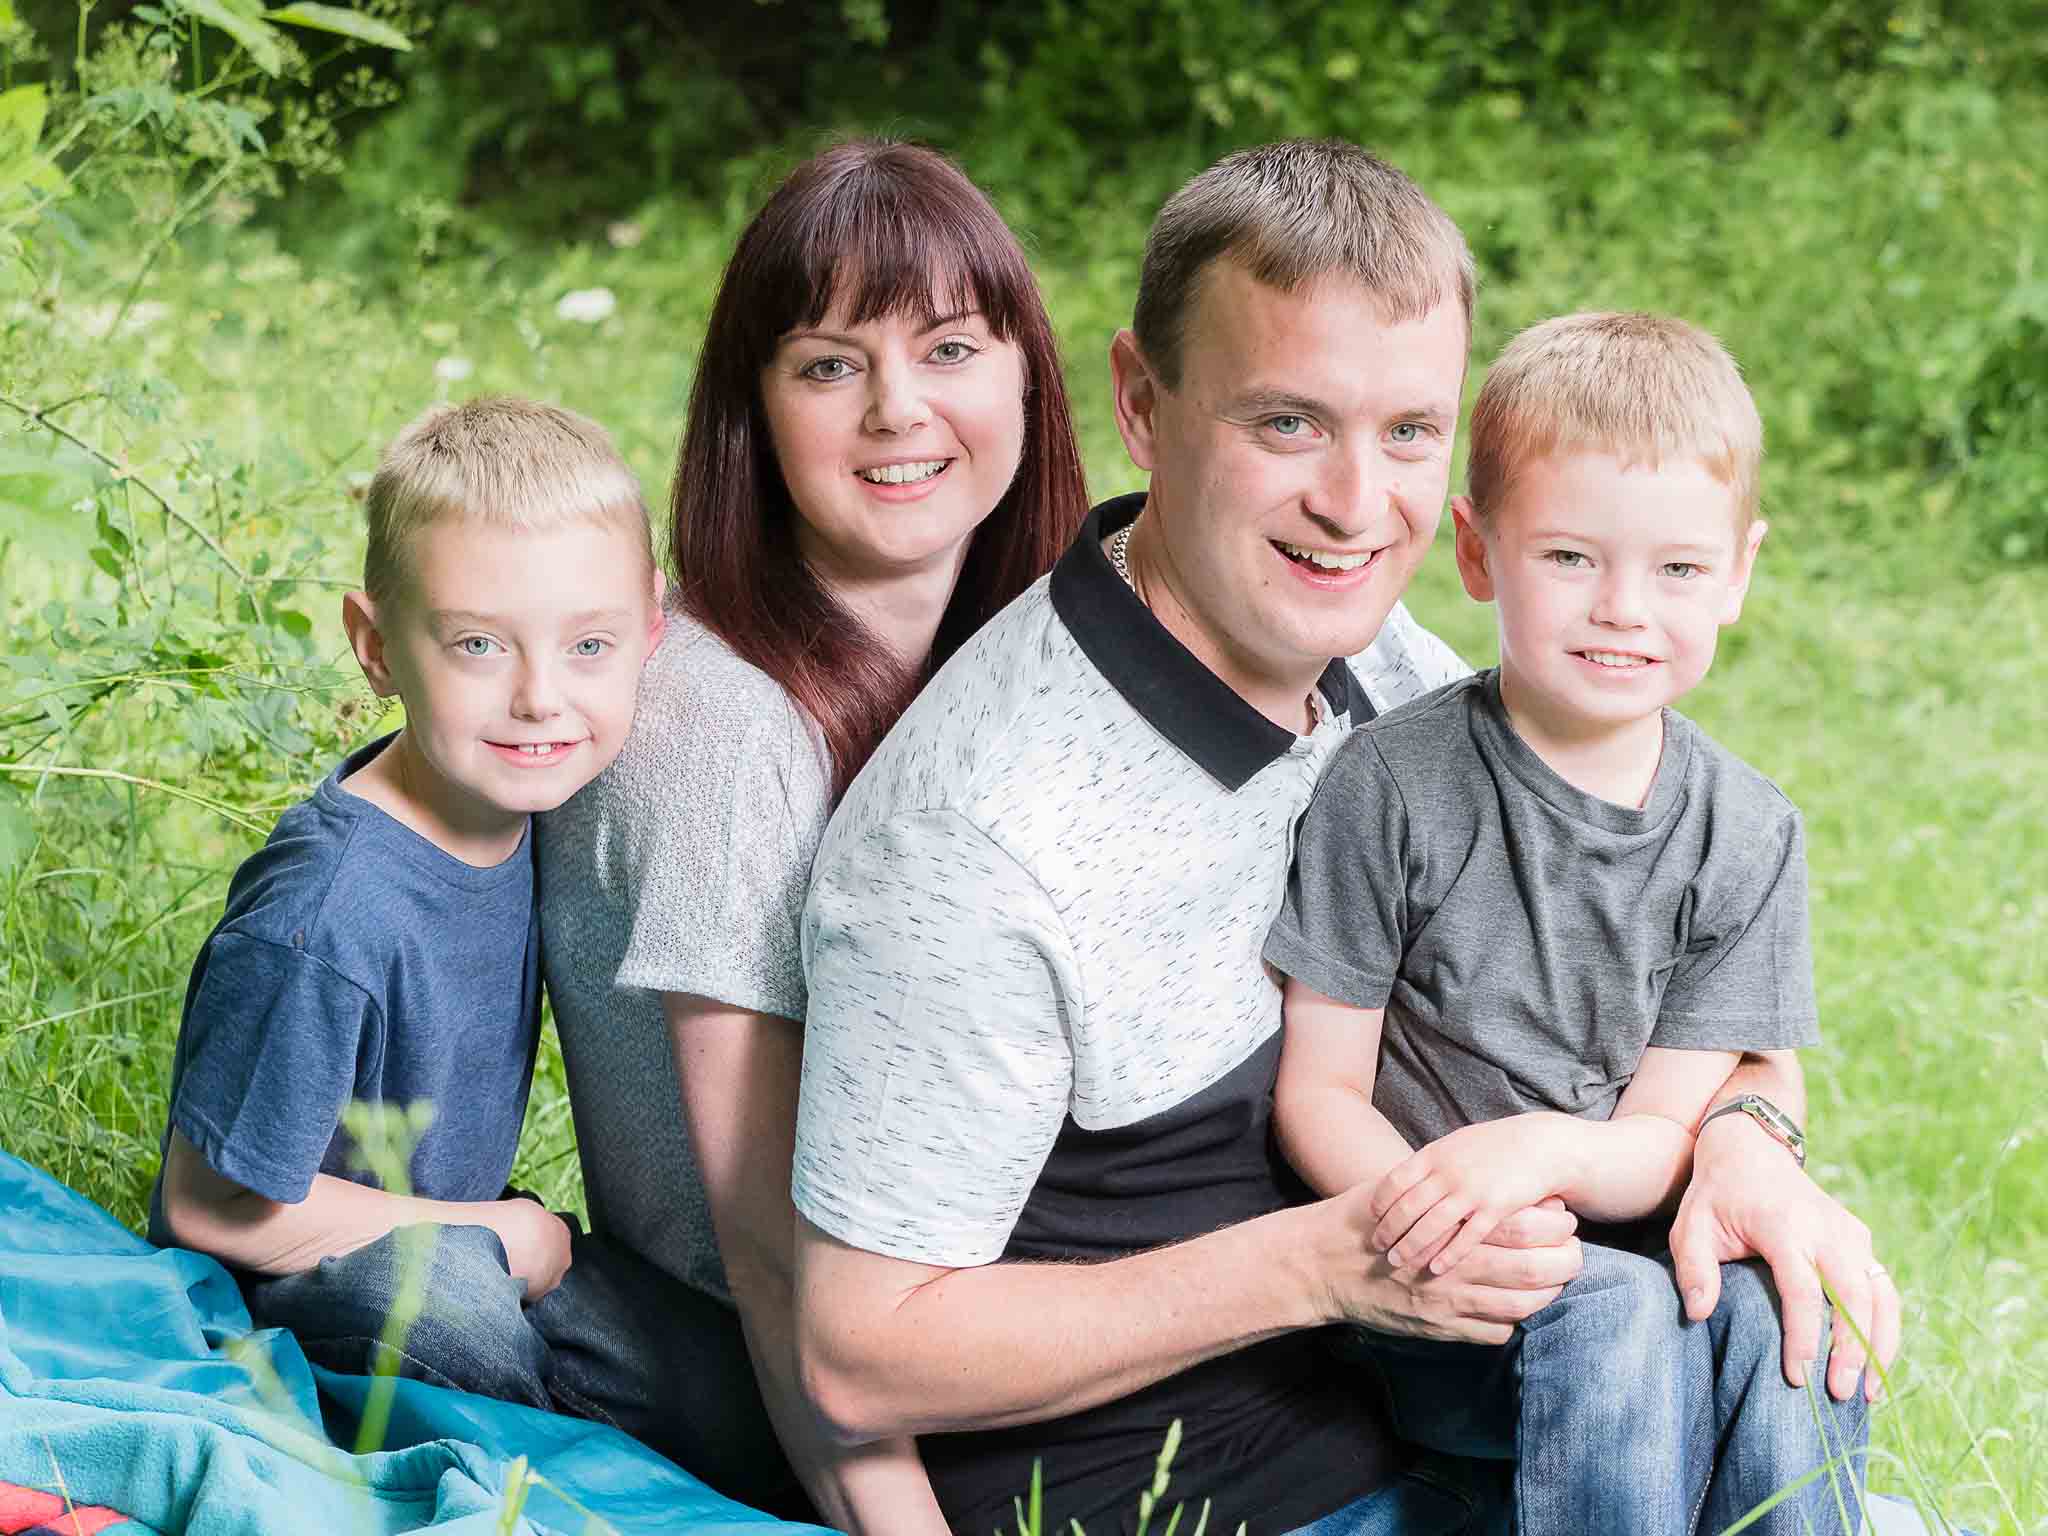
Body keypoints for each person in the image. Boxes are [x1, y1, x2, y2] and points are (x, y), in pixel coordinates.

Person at [791, 140, 1900, 1535]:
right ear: (1144, 401)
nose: (1357, 505)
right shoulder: (975, 841)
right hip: (1215, 1498)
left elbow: (1704, 982)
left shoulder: (1391, 666)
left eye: (1409, 434)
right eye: (1288, 424)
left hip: (1482, 1422)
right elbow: (856, 1350)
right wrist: (1328, 1264)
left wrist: (1746, 1143)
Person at [534, 140, 1089, 1530]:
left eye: (950, 347)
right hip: (768, 1384)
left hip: (977, 1321)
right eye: (830, 364)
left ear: (1030, 374)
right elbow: (775, 1262)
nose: (899, 410)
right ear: (756, 413)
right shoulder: (719, 729)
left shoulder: (1037, 649)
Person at [1265, 311, 1864, 1534]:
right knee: (1615, 1310)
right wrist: (1440, 1219)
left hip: (1645, 1262)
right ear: (1478, 553)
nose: (1622, 611)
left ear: (1739, 572)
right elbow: (1315, 1091)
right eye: (1569, 559)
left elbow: (1658, 1136)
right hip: (1448, 1300)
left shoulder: (1746, 835)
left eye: (1678, 570)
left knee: (1795, 1300)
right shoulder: (1393, 786)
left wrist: (1541, 1151)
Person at [150, 397, 666, 1408]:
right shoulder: (327, 913)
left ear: (650, 625)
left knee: (719, 1386)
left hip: (461, 1232)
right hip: (294, 1286)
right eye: (479, 645)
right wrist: (486, 1232)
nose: (539, 698)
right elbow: (204, 1207)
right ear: (375, 645)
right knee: (457, 1325)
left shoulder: (524, 799)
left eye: (588, 646)